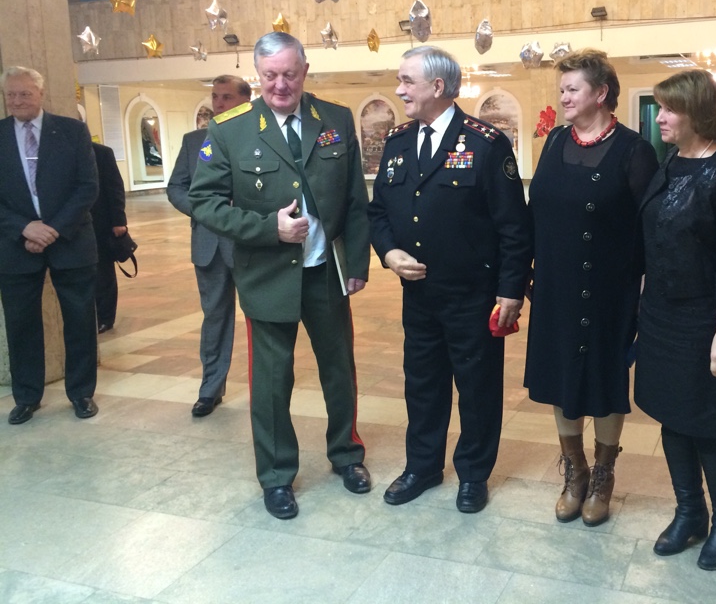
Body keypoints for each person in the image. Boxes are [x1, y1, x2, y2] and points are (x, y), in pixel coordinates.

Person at [188, 32, 371, 519]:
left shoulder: (334, 119)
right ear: (258, 75)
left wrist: (356, 264)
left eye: (290, 74)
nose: (281, 85)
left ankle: (347, 454)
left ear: (305, 71)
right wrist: (268, 228)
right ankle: (275, 476)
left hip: (326, 273)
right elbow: (203, 201)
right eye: (270, 76)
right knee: (271, 383)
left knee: (339, 370)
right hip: (267, 276)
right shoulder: (230, 129)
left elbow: (355, 198)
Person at [368, 46, 532, 514]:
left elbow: (514, 227)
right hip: (419, 295)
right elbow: (378, 212)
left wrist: (510, 291)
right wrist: (388, 252)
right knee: (422, 384)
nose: (399, 90)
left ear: (437, 86)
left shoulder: (485, 143)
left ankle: (473, 474)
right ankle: (422, 467)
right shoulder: (398, 141)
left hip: (473, 295)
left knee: (477, 389)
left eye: (407, 81)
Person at [523, 49, 658, 526]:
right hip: (556, 284)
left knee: (604, 377)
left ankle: (603, 474)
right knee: (562, 376)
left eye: (572, 89)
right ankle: (574, 471)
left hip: (609, 289)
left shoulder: (634, 150)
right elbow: (535, 210)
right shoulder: (555, 141)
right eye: (561, 89)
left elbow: (649, 228)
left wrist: (647, 293)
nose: (563, 97)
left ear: (601, 93)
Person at [635, 69, 716, 571]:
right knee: (672, 414)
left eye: (670, 109)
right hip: (661, 312)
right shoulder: (674, 160)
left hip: (705, 318)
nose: (660, 117)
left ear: (698, 113)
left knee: (708, 422)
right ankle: (690, 511)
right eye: (661, 107)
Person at [0, 66, 100, 424]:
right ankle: (27, 396)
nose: (17, 101)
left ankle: (81, 393)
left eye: (24, 93)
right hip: (15, 245)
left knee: (79, 320)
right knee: (21, 324)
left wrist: (52, 230)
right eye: (10, 95)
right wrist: (25, 228)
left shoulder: (72, 131)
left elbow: (88, 186)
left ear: (40, 94)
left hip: (70, 240)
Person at [167, 75, 251, 417]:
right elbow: (176, 187)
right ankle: (210, 389)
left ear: (245, 101)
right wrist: (204, 210)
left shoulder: (262, 136)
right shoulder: (194, 141)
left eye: (226, 97)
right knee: (214, 318)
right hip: (209, 245)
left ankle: (266, 388)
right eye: (215, 97)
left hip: (251, 244)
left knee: (261, 319)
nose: (218, 103)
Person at [91, 141, 128, 333]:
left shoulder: (102, 153)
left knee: (103, 271)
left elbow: (115, 187)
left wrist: (119, 220)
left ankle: (105, 317)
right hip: (75, 225)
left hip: (101, 223)